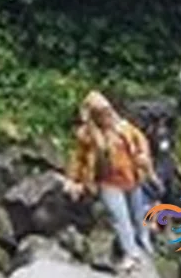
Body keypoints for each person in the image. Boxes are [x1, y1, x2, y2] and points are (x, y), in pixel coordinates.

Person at [66, 91, 155, 271]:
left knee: (138, 216)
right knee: (119, 218)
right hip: (107, 182)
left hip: (131, 179)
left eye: (108, 111)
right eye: (101, 113)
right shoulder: (87, 135)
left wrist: (143, 157)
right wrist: (73, 180)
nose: (107, 116)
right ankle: (132, 254)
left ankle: (144, 245)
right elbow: (78, 159)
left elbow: (142, 142)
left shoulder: (124, 128)